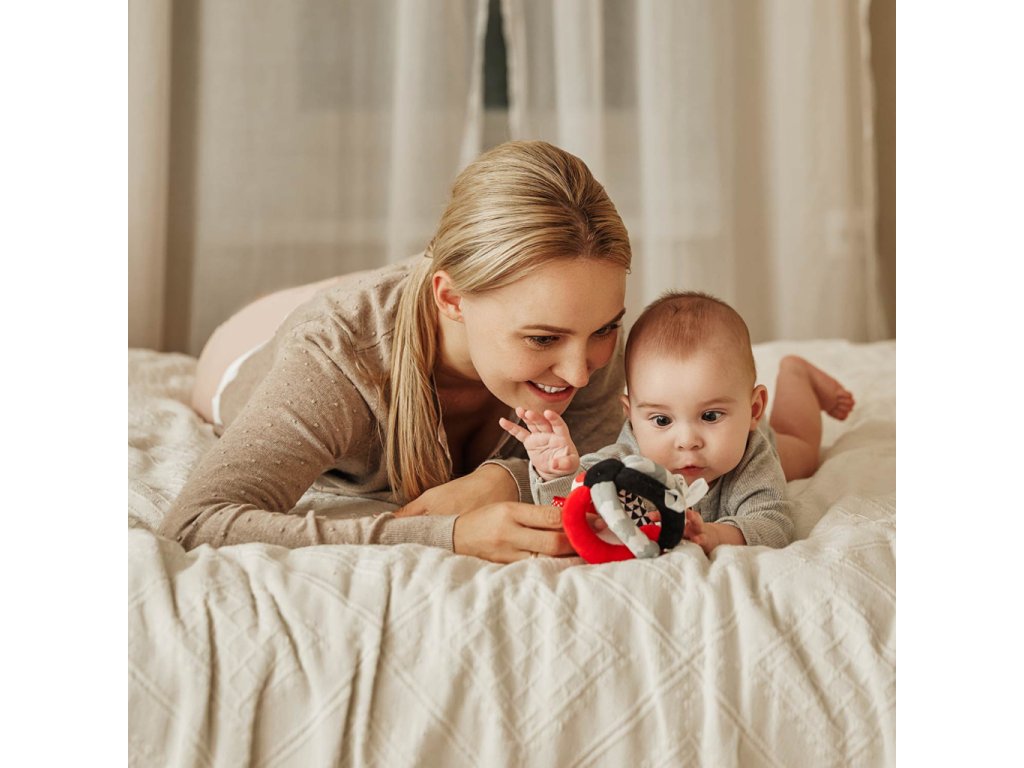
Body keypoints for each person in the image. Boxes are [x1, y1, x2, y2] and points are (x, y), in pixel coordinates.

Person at [158, 140, 634, 563]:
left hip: (412, 299)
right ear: (452, 300)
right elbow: (196, 523)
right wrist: (449, 536)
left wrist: (509, 478)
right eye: (543, 339)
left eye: (606, 328)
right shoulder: (336, 357)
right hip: (245, 345)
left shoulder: (581, 322)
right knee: (352, 314)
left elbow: (599, 461)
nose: (580, 374)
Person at [499, 291, 855, 556]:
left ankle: (796, 374)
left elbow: (773, 523)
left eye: (710, 416)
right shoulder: (627, 456)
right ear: (631, 415)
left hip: (757, 444)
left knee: (804, 451)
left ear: (753, 409)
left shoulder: (751, 457)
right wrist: (557, 472)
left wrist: (715, 535)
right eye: (661, 420)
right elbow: (578, 498)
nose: (687, 440)